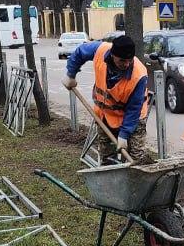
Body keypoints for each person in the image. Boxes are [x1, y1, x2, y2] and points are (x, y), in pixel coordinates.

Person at [62, 34, 151, 164]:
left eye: (129, 60)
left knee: (136, 158)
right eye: (122, 60)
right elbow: (80, 52)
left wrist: (124, 134)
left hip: (133, 118)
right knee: (107, 157)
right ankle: (111, 180)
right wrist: (71, 74)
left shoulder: (139, 75)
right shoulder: (100, 49)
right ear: (112, 55)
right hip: (104, 115)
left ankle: (136, 181)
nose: (126, 64)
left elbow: (134, 108)